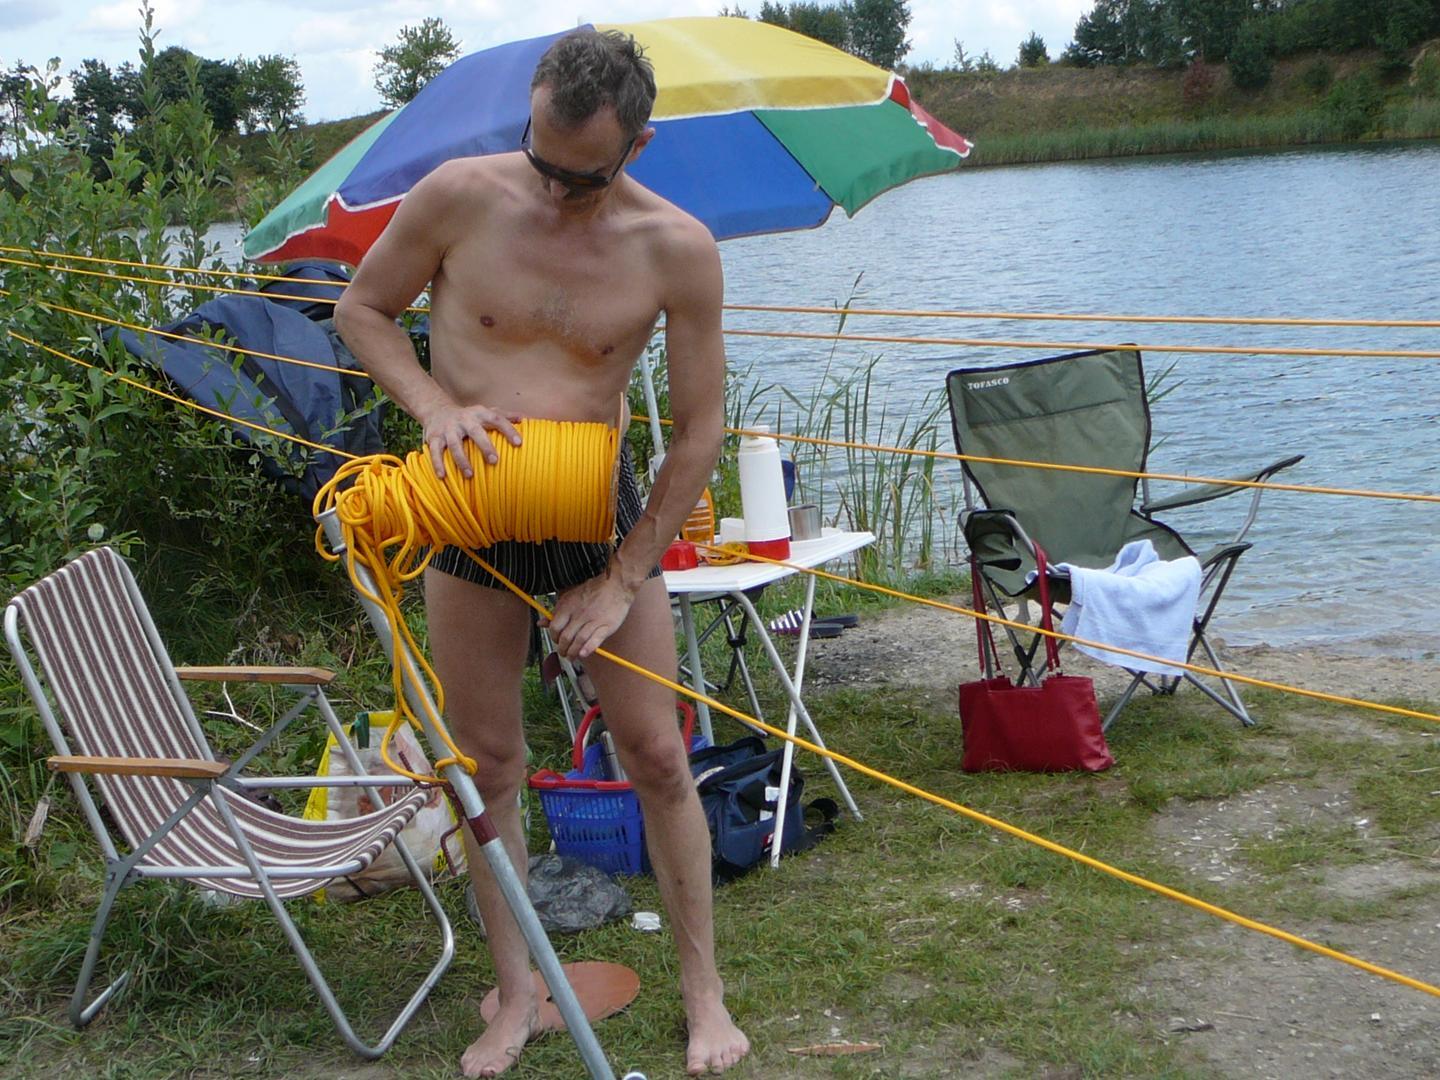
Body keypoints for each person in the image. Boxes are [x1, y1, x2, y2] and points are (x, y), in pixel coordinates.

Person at [334, 28, 750, 1079]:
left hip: (595, 518)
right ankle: (517, 995)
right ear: (530, 114)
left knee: (658, 756)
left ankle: (705, 997)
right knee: (490, 768)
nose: (557, 191)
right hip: (470, 519)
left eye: (584, 178)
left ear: (637, 147)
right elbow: (362, 309)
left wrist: (621, 579)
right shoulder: (458, 197)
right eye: (544, 161)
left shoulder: (676, 248)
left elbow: (699, 431)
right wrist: (434, 406)